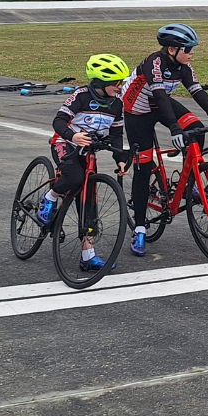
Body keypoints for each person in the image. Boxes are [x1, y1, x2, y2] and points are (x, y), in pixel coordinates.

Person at [122, 23, 208, 257]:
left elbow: (198, 92)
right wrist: (173, 128)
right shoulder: (154, 64)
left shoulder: (184, 66)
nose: (192, 52)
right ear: (172, 49)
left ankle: (187, 183)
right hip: (137, 112)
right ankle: (140, 227)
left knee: (196, 129)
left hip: (160, 104)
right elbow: (160, 97)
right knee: (142, 167)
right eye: (188, 48)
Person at [37, 54, 133, 271]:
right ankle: (50, 198)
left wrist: (120, 160)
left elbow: (116, 134)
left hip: (89, 152)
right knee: (75, 177)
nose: (121, 87)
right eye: (117, 83)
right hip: (66, 143)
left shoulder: (117, 105)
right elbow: (58, 121)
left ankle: (88, 256)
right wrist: (73, 136)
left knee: (89, 202)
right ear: (101, 83)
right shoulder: (80, 95)